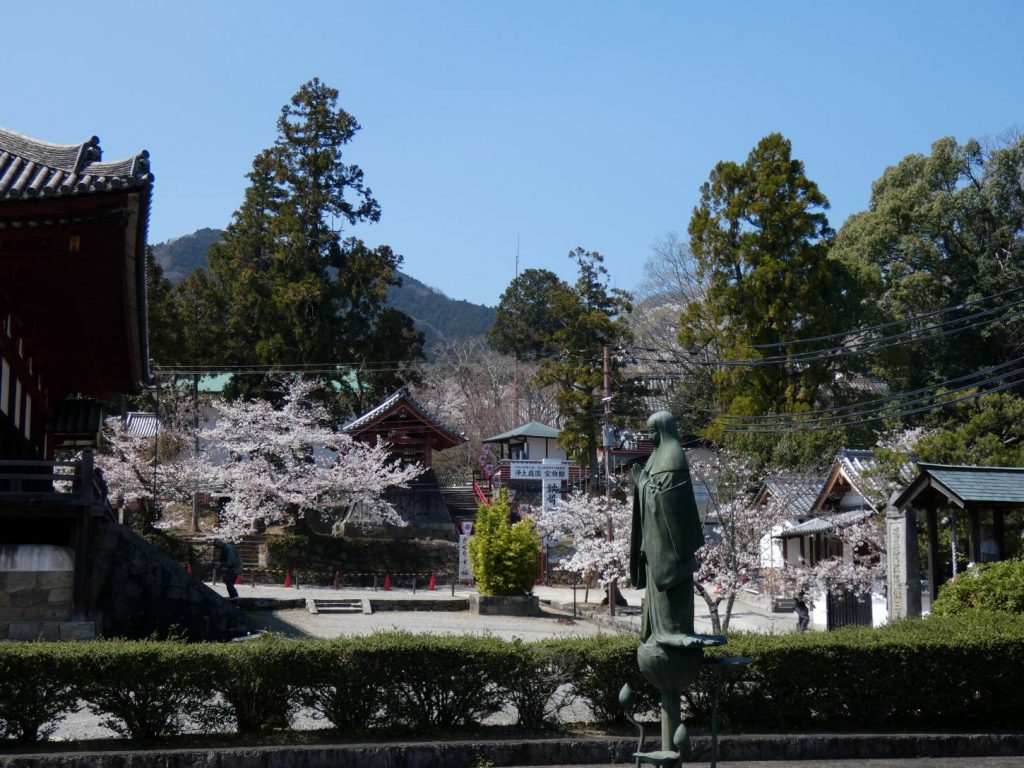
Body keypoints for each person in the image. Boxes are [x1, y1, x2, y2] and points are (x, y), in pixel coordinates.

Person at [629, 411, 706, 647]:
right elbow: (654, 494)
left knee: (672, 597)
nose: (650, 436)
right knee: (656, 599)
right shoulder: (655, 458)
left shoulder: (672, 457)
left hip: (670, 547)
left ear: (663, 431)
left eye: (653, 431)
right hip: (655, 547)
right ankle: (658, 631)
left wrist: (642, 484)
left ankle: (673, 630)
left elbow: (667, 504)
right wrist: (643, 485)